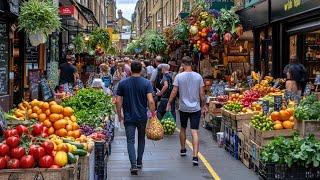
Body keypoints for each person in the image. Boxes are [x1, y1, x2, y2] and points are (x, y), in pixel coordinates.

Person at [115, 61, 156, 175]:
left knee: (130, 141)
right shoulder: (147, 83)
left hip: (129, 117)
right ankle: (139, 162)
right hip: (142, 116)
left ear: (131, 70)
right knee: (141, 139)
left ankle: (133, 165)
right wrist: (153, 114)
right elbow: (151, 101)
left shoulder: (123, 83)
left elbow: (118, 101)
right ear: (141, 70)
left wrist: (119, 114)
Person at [166, 56, 208, 166]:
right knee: (194, 131)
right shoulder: (198, 76)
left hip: (183, 108)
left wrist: (169, 103)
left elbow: (174, 91)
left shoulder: (179, 76)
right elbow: (202, 94)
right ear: (191, 64)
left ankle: (183, 149)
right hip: (195, 108)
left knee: (183, 128)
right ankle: (195, 156)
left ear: (183, 65)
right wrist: (203, 105)